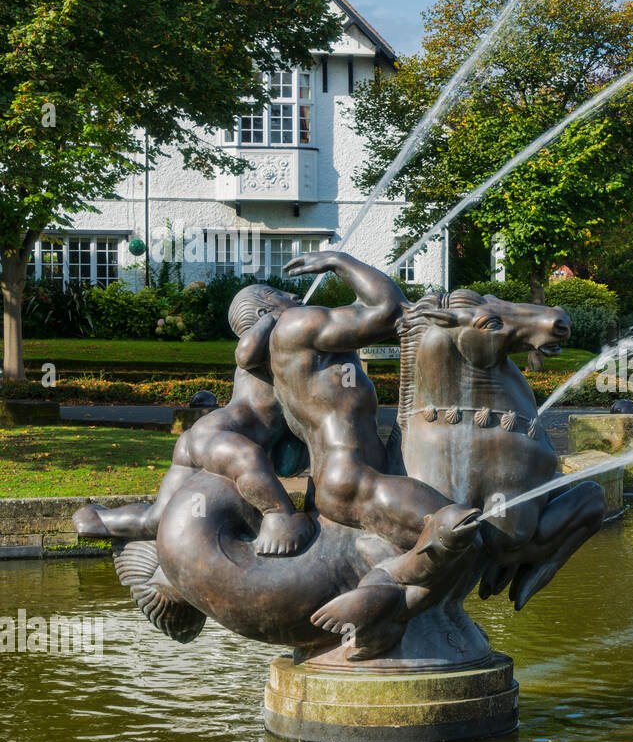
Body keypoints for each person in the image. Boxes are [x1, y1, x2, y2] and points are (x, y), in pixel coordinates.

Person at [265, 251, 481, 654]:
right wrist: (337, 259)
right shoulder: (296, 324)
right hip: (355, 478)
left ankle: (401, 610)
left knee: (462, 538)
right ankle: (383, 605)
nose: (294, 296)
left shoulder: (293, 355)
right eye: (280, 294)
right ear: (269, 310)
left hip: (352, 475)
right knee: (462, 530)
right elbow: (387, 308)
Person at [74, 284, 315, 556]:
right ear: (263, 313)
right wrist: (273, 320)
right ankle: (279, 515)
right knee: (248, 458)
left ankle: (99, 520)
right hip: (222, 436)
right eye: (280, 297)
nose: (295, 296)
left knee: (157, 519)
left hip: (199, 439)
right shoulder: (261, 341)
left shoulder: (284, 348)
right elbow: (244, 354)